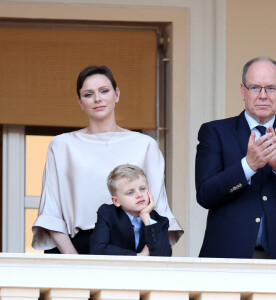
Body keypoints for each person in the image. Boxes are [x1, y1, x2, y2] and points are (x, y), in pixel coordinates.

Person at [32, 65, 183, 254]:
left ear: (117, 94)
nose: (98, 99)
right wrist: (74, 262)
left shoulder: (145, 144)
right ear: (80, 101)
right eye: (88, 94)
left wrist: (143, 256)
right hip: (73, 248)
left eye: (104, 91)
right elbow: (51, 213)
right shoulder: (61, 145)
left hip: (133, 247)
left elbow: (157, 208)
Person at [195, 56, 276, 259]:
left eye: (271, 88)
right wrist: (248, 166)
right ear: (243, 91)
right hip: (228, 257)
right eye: (255, 88)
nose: (263, 95)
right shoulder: (215, 132)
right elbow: (205, 195)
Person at [90, 164, 172, 256]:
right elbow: (97, 249)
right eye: (130, 192)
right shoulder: (108, 214)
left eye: (143, 189)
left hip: (145, 270)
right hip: (115, 269)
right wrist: (138, 256)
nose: (139, 195)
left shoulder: (159, 221)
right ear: (116, 201)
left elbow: (164, 255)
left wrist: (147, 219)